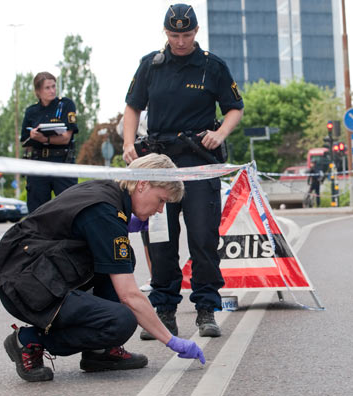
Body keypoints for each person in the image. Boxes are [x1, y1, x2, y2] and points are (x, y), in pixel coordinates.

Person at [0, 154, 205, 383]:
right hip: (27, 287)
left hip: (36, 274)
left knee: (123, 260)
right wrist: (171, 340)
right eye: (161, 200)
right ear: (143, 184)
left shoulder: (108, 193)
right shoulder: (105, 212)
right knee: (122, 320)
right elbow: (129, 295)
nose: (160, 210)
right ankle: (28, 340)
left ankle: (100, 352)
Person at [122, 3, 243, 340]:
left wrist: (220, 133)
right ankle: (164, 309)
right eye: (174, 34)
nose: (180, 41)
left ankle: (206, 308)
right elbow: (133, 106)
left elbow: (235, 108)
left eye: (186, 34)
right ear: (166, 33)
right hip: (160, 163)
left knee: (204, 237)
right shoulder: (152, 65)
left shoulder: (211, 66)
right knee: (160, 239)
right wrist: (128, 144)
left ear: (196, 32)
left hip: (199, 161)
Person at [21, 72, 78, 213]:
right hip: (38, 163)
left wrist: (45, 139)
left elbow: (66, 137)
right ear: (38, 91)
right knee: (37, 210)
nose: (52, 90)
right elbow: (24, 140)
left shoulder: (65, 105)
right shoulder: (31, 111)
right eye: (47, 88)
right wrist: (33, 135)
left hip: (62, 161)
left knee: (69, 206)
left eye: (53, 86)